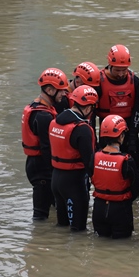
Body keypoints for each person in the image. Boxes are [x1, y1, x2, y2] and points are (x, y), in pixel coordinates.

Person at [21, 68, 69, 220]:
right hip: (40, 168)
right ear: (49, 90)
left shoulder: (39, 108)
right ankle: (39, 240)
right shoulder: (42, 116)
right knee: (40, 215)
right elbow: (47, 147)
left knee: (51, 206)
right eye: (61, 91)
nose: (64, 94)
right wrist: (56, 170)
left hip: (37, 165)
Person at [49, 85, 98, 231]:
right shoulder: (82, 129)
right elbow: (89, 162)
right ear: (89, 107)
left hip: (56, 180)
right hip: (74, 183)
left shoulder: (56, 120)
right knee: (78, 231)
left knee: (62, 226)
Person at [90, 114, 139, 238]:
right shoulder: (126, 160)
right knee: (123, 247)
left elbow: (91, 176)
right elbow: (135, 186)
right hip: (120, 209)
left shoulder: (94, 157)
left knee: (101, 246)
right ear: (121, 136)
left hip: (99, 208)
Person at [96, 44, 139, 172]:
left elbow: (138, 111)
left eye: (124, 69)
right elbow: (91, 113)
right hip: (106, 134)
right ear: (110, 64)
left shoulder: (135, 82)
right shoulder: (98, 81)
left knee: (134, 170)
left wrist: (135, 137)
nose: (122, 74)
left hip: (129, 132)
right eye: (118, 70)